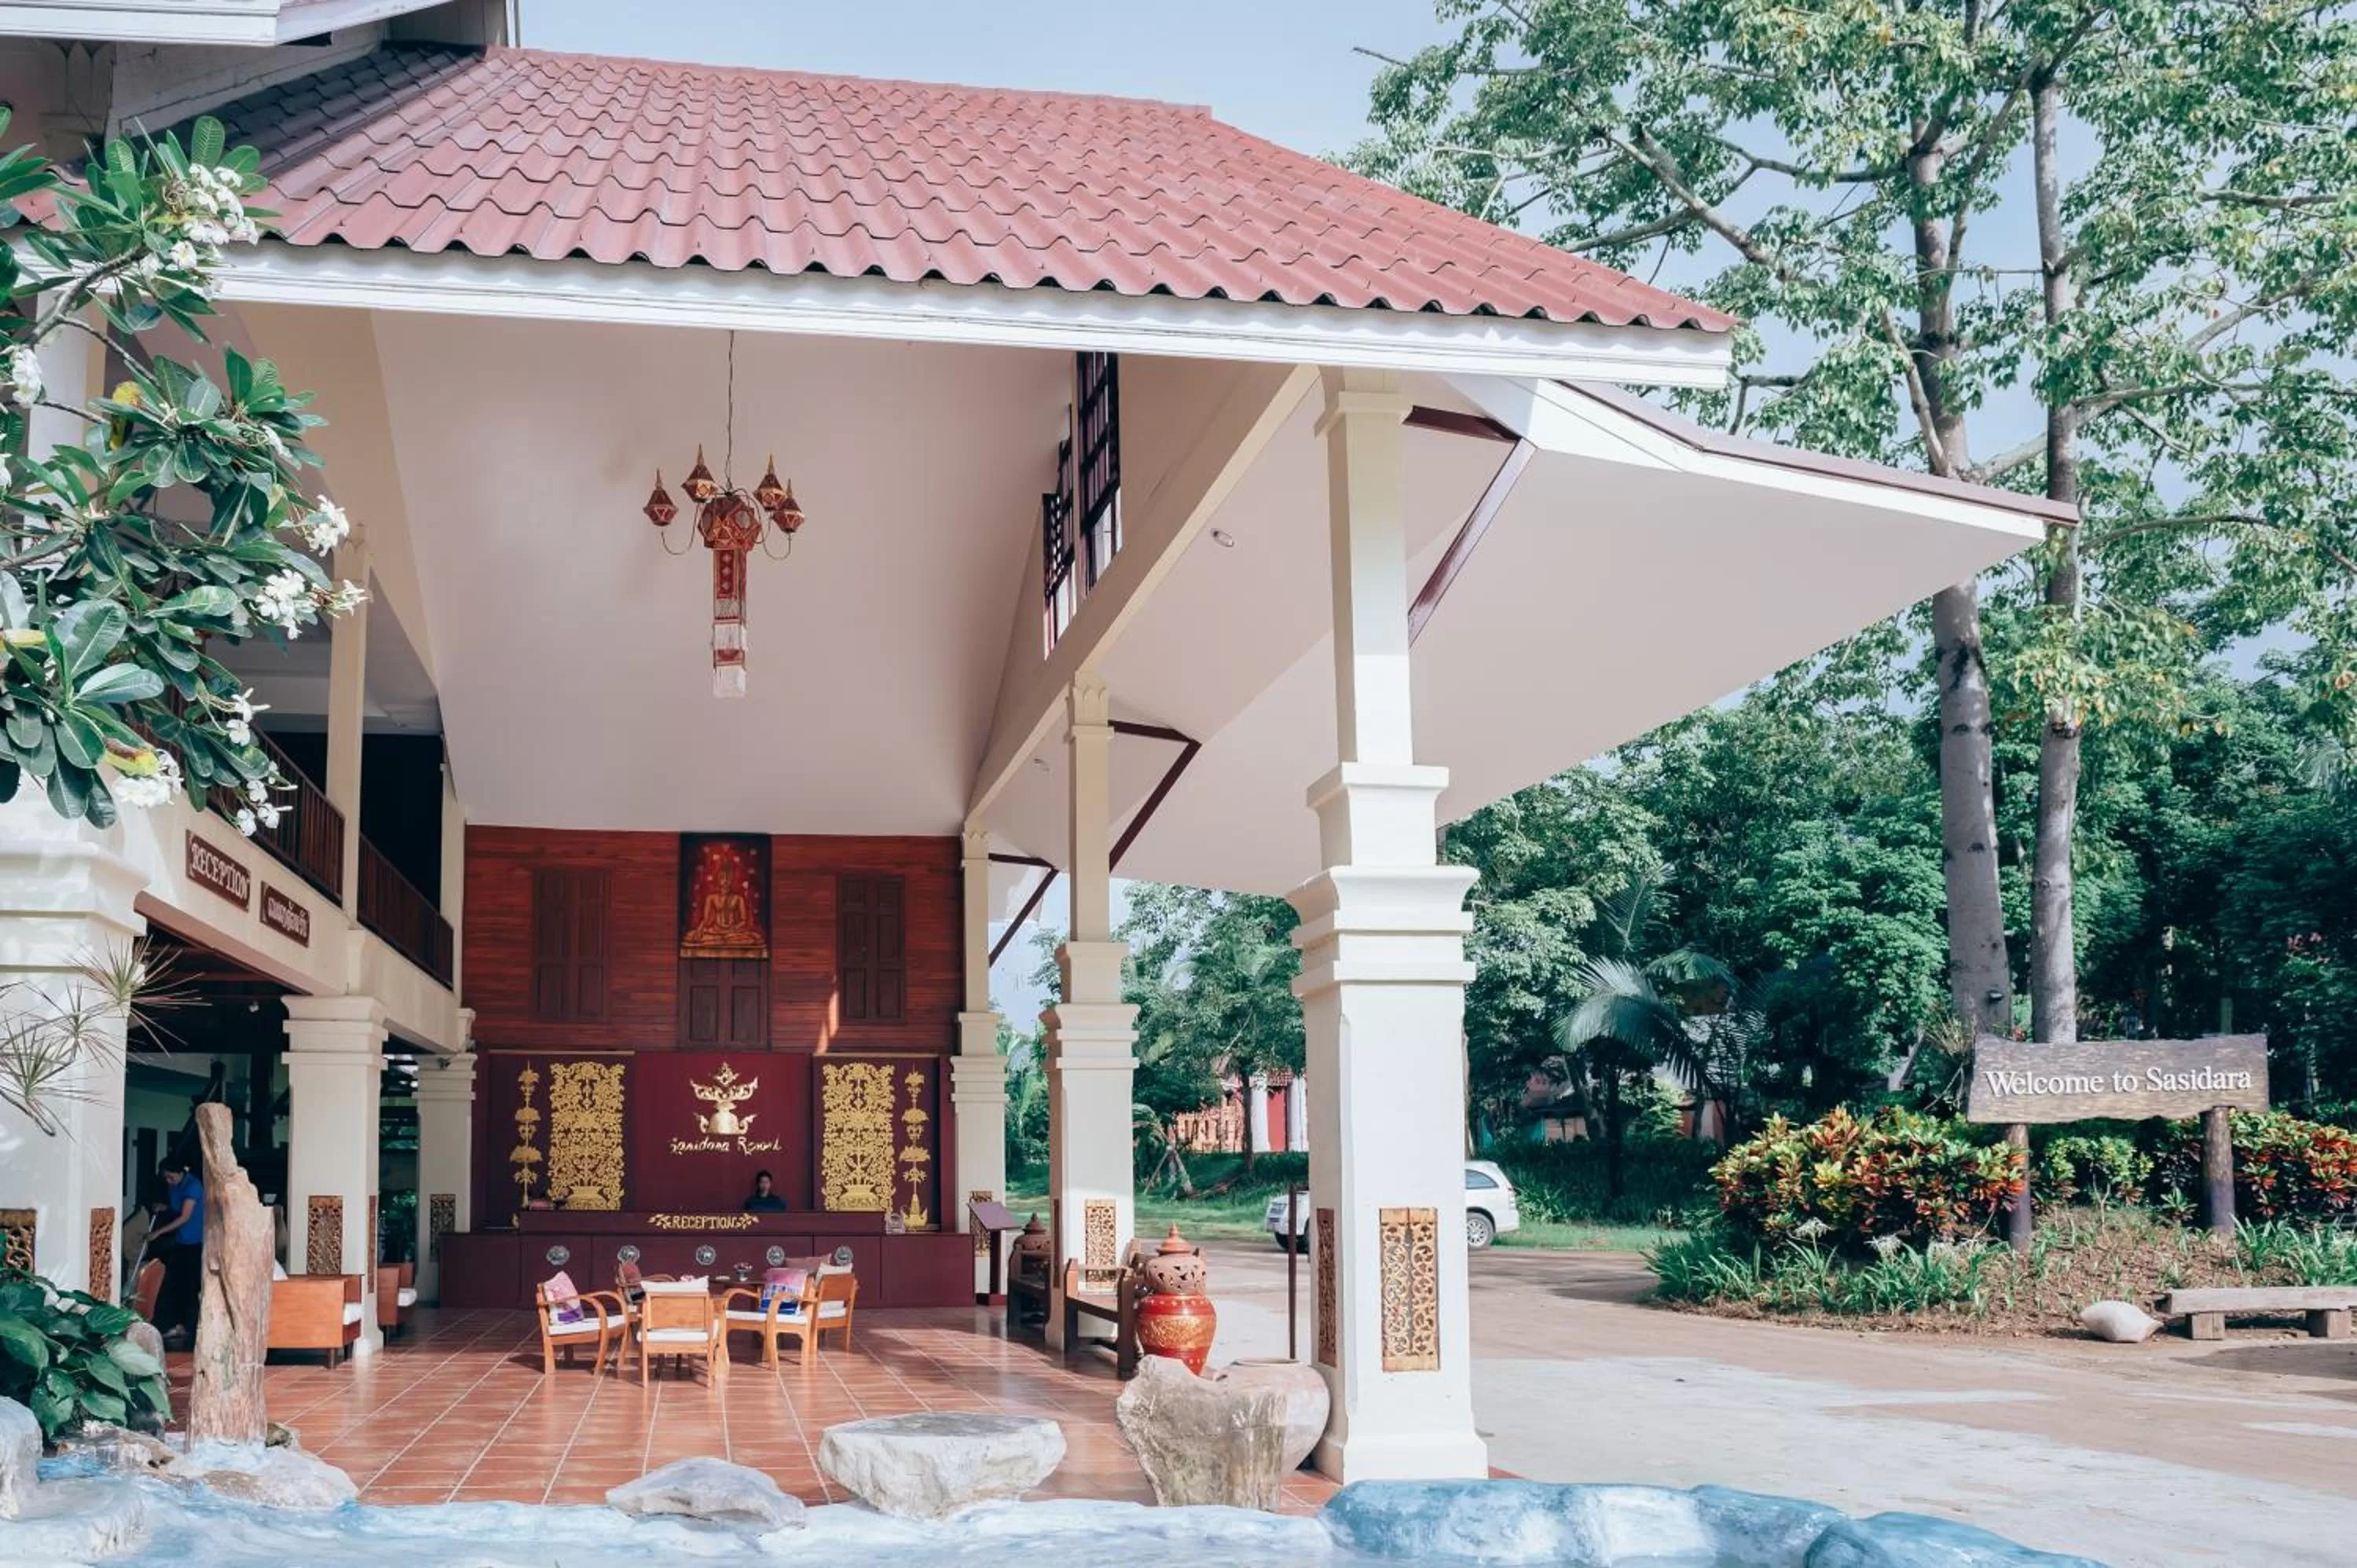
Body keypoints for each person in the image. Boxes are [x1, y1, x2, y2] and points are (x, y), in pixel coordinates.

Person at [148, 1155, 207, 1346]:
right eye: (166, 1178)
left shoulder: (193, 1186)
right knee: (175, 1285)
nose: (168, 1181)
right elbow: (176, 1209)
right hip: (181, 1242)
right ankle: (176, 1323)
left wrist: (157, 1233)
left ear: (181, 1173)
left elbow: (185, 1217)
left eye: (171, 1177)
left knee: (190, 1286)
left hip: (195, 1243)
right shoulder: (174, 1186)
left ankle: (189, 1326)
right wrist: (164, 1207)